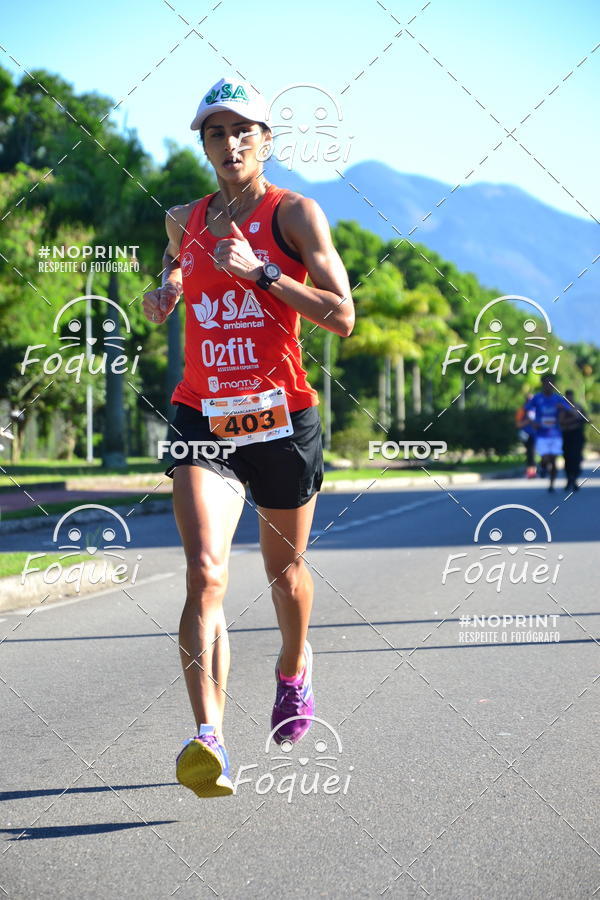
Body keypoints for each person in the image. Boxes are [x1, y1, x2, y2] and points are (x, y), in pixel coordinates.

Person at [142, 77, 354, 798]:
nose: (229, 144)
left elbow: (341, 315)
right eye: (214, 133)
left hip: (279, 418)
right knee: (206, 573)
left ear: (266, 141)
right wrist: (162, 292)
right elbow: (171, 274)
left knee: (283, 576)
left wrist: (264, 274)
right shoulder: (182, 218)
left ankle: (294, 671)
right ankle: (210, 739)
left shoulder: (294, 214)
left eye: (242, 132)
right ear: (202, 144)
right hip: (203, 412)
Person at [525, 376, 569, 493]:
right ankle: (543, 466)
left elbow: (570, 409)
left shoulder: (558, 399)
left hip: (555, 434)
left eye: (552, 383)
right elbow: (527, 410)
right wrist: (532, 421)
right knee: (545, 458)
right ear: (542, 384)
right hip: (542, 435)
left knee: (553, 460)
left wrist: (563, 410)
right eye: (547, 383)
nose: (549, 385)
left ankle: (551, 484)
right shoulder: (537, 398)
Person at [559, 389, 586, 491]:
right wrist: (574, 419)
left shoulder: (578, 407)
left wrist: (577, 419)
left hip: (577, 435)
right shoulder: (562, 408)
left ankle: (574, 478)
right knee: (568, 458)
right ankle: (569, 479)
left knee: (576, 457)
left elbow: (585, 419)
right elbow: (561, 421)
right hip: (567, 435)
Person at [515, 393, 536, 478]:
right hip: (526, 435)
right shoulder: (522, 410)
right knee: (530, 452)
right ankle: (531, 472)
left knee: (533, 453)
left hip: (536, 434)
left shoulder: (537, 409)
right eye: (528, 400)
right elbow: (518, 424)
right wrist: (528, 421)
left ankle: (534, 470)